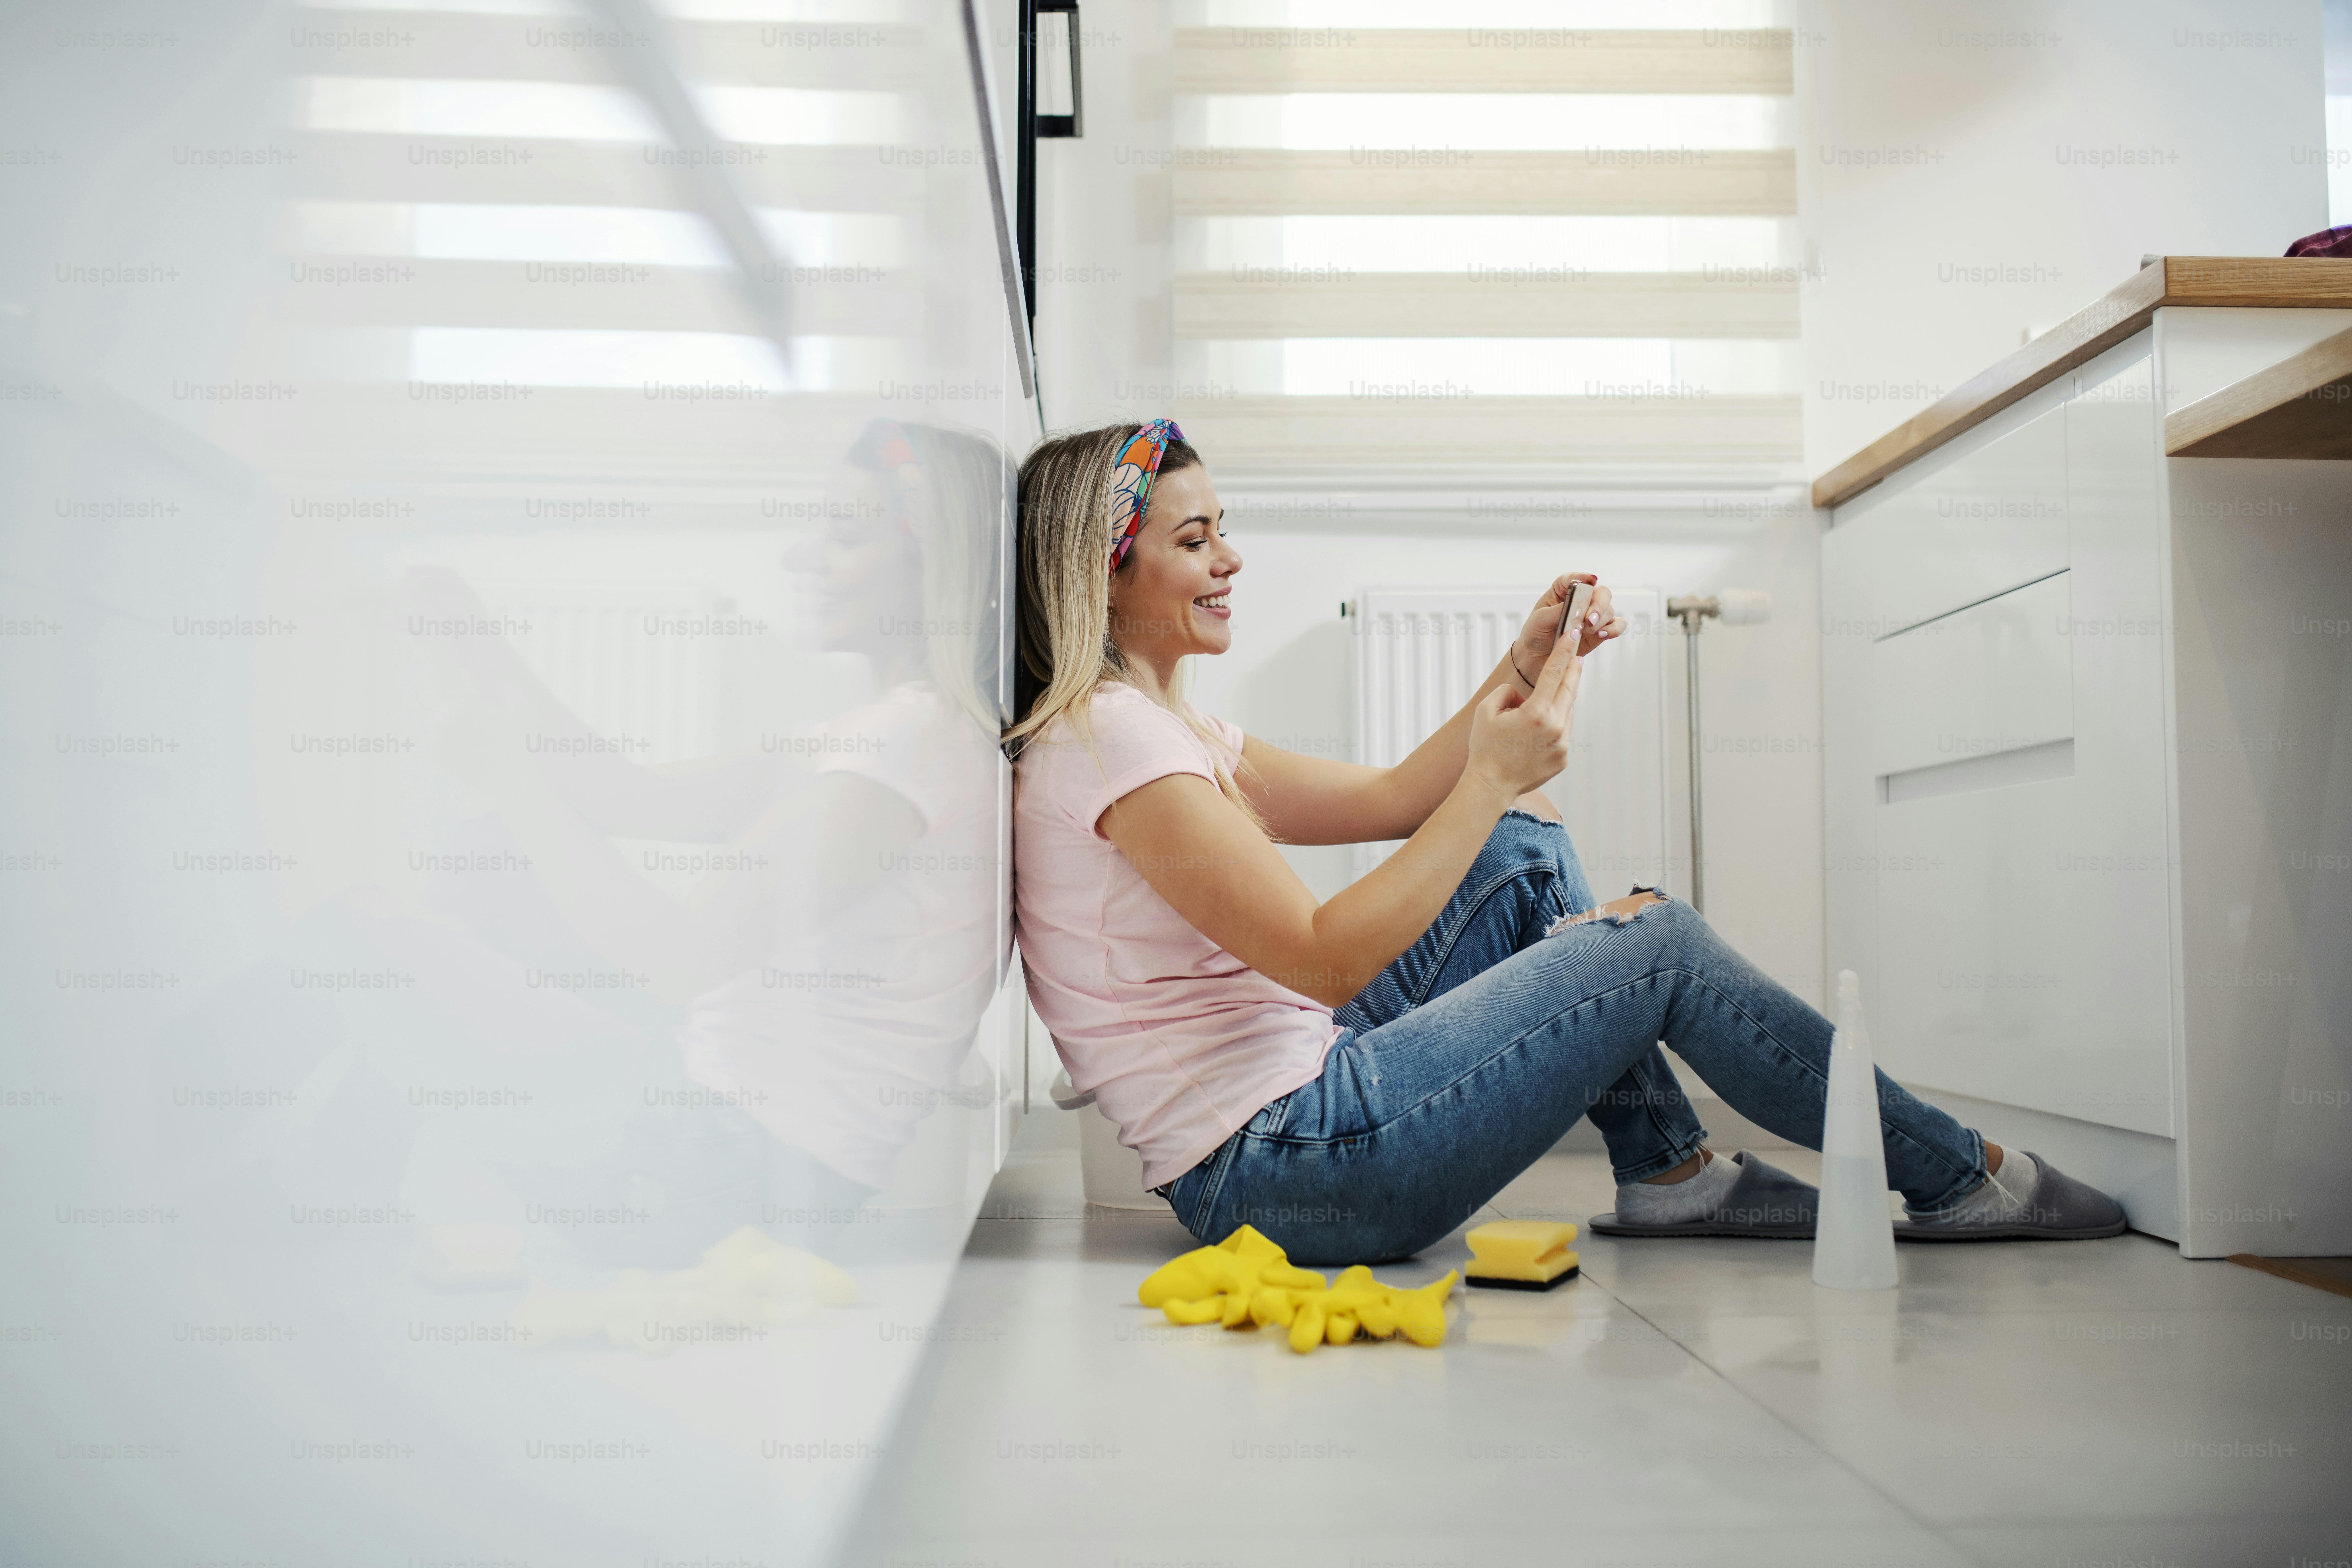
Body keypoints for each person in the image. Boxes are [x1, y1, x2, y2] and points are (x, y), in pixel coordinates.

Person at [1006, 420, 2127, 1265]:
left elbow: (1400, 792)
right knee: (1658, 946)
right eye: (1195, 540)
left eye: (1224, 531)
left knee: (1525, 852)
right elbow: (1322, 955)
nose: (1231, 560)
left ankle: (1670, 1169)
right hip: (1286, 1169)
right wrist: (1491, 776)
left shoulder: (1164, 726)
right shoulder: (1115, 746)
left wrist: (1523, 663)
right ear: (1105, 571)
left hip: (1302, 1099)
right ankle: (1954, 1171)